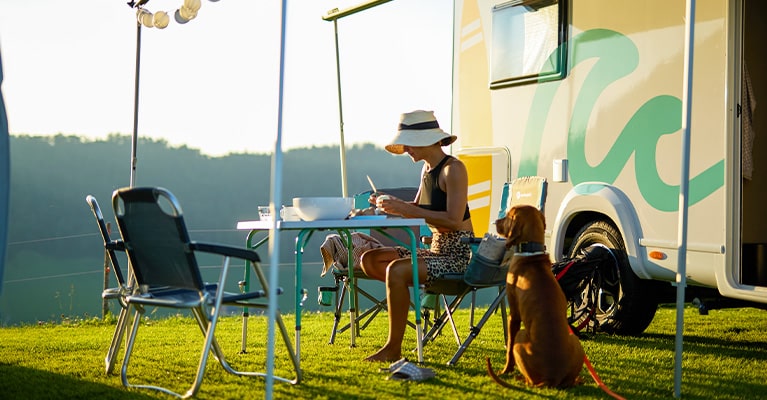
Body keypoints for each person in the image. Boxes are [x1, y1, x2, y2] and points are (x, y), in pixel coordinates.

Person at [360, 110, 474, 362]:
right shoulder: (427, 169)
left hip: (458, 254)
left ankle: (393, 347)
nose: (406, 149)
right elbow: (416, 212)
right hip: (435, 250)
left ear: (425, 139)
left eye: (409, 143)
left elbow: (453, 220)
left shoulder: (453, 170)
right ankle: (404, 290)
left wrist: (405, 208)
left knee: (397, 271)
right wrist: (388, 206)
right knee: (369, 260)